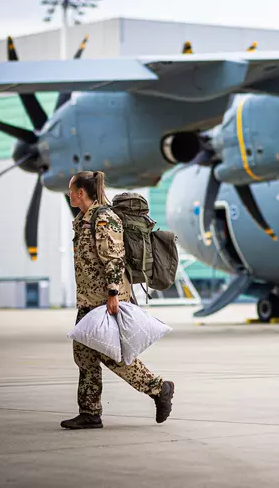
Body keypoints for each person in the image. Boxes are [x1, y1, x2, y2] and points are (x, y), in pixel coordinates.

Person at [60, 171, 175, 429]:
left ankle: (159, 388)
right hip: (89, 300)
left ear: (81, 192)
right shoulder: (83, 220)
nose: (69, 194)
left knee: (112, 356)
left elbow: (114, 258)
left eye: (71, 190)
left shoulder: (103, 219)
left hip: (104, 301)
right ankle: (90, 412)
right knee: (84, 356)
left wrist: (113, 294)